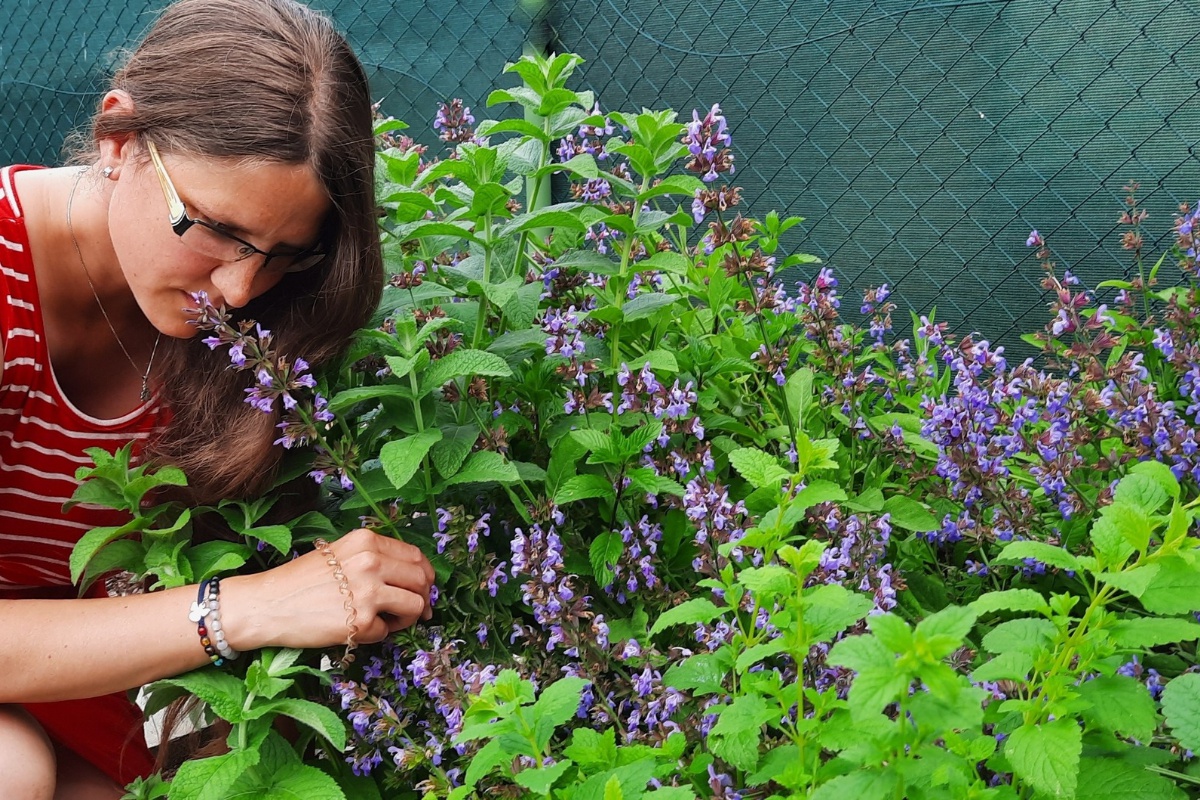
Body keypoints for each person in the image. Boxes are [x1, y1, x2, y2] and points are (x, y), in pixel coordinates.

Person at [0, 0, 435, 796]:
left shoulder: (270, 324)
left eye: (280, 255)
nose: (237, 290)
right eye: (213, 228)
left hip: (69, 670)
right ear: (120, 140)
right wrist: (245, 607)